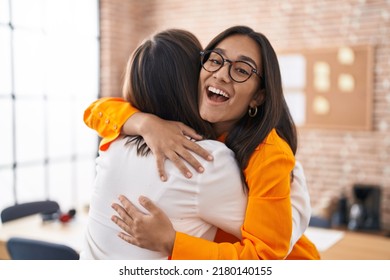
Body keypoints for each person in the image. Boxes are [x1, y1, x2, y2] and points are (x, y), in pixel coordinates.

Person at [85, 26, 320, 259]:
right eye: (216, 60)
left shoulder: (261, 155)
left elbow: (267, 254)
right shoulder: (189, 136)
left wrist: (173, 243)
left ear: (258, 96)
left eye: (241, 70)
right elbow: (95, 111)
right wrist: (145, 123)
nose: (221, 74)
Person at [80, 29, 247, 259]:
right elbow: (271, 238)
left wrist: (142, 121)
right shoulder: (205, 159)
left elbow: (95, 111)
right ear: (190, 82)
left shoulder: (113, 143)